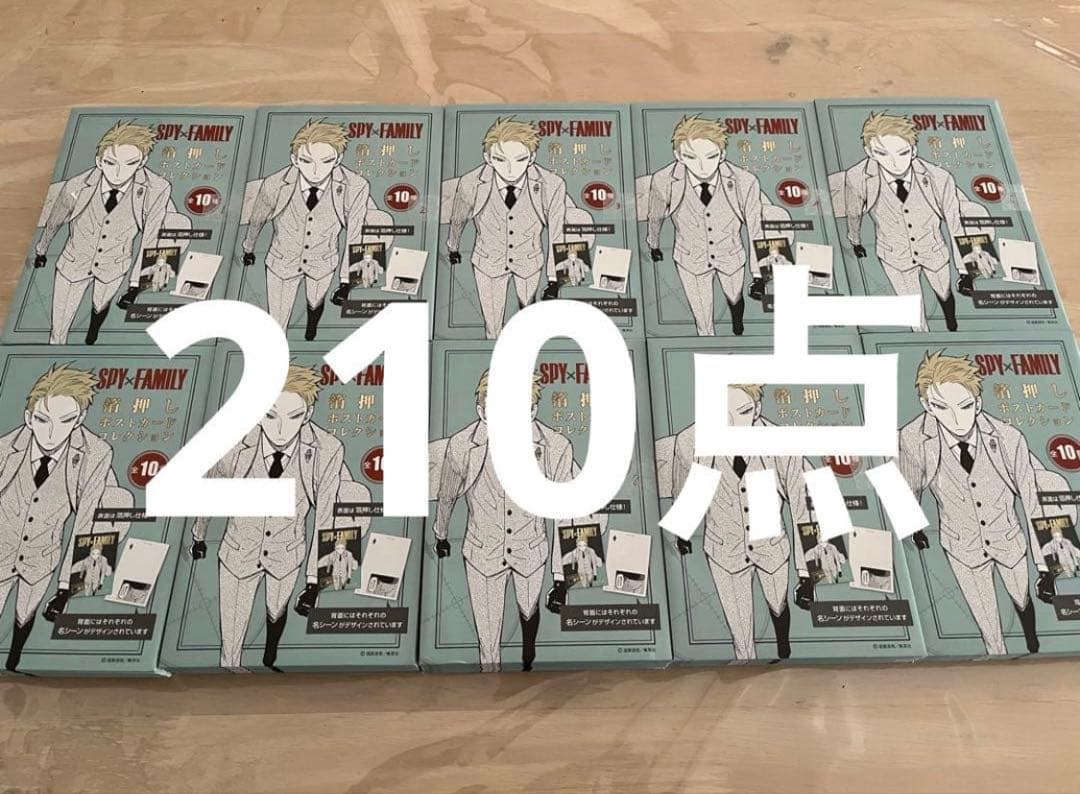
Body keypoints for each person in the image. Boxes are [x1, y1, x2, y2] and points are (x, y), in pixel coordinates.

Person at [429, 370, 602, 672]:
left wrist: (561, 578)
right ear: (482, 411)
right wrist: (441, 534)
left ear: (532, 410)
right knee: (487, 636)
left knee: (529, 608)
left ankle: (528, 657)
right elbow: (447, 496)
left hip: (531, 550)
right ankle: (490, 676)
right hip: (482, 552)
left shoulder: (556, 447)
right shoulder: (462, 445)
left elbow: (566, 513)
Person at [190, 365, 350, 672]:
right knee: (231, 634)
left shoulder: (327, 449)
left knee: (276, 610)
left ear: (308, 413)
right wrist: (199, 535)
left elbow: (325, 515)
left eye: (293, 416)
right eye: (270, 415)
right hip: (238, 549)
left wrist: (314, 581)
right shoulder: (232, 440)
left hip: (287, 552)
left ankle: (270, 656)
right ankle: (232, 668)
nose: (280, 429)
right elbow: (211, 488)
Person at [898, 351, 1054, 655]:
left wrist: (1045, 567)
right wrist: (912, 525)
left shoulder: (1009, 438)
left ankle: (1032, 640)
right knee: (987, 625)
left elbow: (1033, 501)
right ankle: (998, 660)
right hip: (961, 545)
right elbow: (904, 485)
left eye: (965, 406)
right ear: (927, 405)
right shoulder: (912, 438)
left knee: (1022, 598)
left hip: (1008, 538)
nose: (957, 418)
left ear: (978, 403)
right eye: (941, 407)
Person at [666, 384, 813, 660]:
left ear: (757, 409)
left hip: (770, 543)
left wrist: (806, 573)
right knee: (741, 636)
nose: (732, 425)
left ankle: (783, 646)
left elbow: (801, 506)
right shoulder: (691, 441)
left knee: (778, 603)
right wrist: (682, 533)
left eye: (743, 412)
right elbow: (685, 493)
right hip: (724, 549)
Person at [0, 365, 126, 671]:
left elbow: (86, 519)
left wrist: (66, 587)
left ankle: (14, 661)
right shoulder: (5, 448)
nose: (52, 432)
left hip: (42, 556)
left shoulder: (96, 453)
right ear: (29, 417)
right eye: (43, 420)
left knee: (25, 614)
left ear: (80, 419)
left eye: (66, 420)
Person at [33, 122, 174, 344]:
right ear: (99, 161)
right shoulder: (77, 185)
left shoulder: (157, 188)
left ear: (142, 162)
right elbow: (54, 221)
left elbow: (151, 236)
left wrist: (135, 285)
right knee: (58, 329)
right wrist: (41, 250)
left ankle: (92, 334)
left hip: (115, 264)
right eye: (110, 162)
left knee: (100, 306)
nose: (118, 173)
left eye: (130, 163)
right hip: (73, 263)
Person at [833, 112, 968, 331]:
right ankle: (923, 339)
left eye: (903, 152)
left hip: (933, 250)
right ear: (870, 152)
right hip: (894, 256)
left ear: (914, 150)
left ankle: (951, 324)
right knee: (913, 311)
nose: (895, 162)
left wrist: (964, 270)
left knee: (944, 293)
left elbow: (955, 224)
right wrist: (855, 241)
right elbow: (854, 213)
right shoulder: (858, 177)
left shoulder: (939, 178)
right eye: (882, 153)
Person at [241, 119, 372, 340]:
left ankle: (311, 327)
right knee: (277, 319)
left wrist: (346, 281)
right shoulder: (275, 183)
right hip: (281, 261)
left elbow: (354, 233)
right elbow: (257, 219)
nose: (316, 171)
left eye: (326, 161)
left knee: (315, 301)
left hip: (323, 261)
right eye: (306, 161)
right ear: (295, 159)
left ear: (338, 159)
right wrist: (249, 248)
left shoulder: (356, 186)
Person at [644, 115, 766, 336]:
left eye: (711, 156)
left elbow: (756, 227)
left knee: (735, 297)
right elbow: (655, 216)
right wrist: (654, 244)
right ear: (678, 156)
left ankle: (737, 322)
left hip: (731, 255)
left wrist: (758, 274)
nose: (702, 167)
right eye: (691, 157)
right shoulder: (664, 180)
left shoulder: (745, 182)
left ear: (722, 154)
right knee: (702, 319)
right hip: (690, 259)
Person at [446, 117, 567, 339]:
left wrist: (554, 279)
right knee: (492, 326)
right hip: (487, 262)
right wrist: (453, 247)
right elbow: (458, 218)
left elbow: (557, 233)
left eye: (520, 159)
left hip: (529, 261)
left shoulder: (552, 184)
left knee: (528, 322)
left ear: (532, 157)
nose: (510, 169)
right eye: (500, 160)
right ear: (488, 158)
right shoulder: (471, 182)